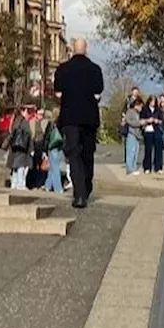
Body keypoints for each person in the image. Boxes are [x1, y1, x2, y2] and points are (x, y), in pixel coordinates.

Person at [53, 37, 104, 209]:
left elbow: (58, 93)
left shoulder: (63, 69)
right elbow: (98, 93)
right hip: (89, 118)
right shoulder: (95, 70)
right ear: (86, 48)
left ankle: (79, 194)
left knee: (73, 155)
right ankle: (87, 187)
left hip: (70, 118)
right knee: (87, 155)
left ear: (73, 49)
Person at [6, 109, 32, 190]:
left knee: (15, 167)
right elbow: (28, 134)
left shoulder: (14, 121)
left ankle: (14, 183)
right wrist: (31, 148)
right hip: (22, 146)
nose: (27, 114)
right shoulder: (24, 122)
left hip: (14, 146)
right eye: (26, 112)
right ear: (23, 112)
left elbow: (11, 134)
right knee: (21, 166)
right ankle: (20, 184)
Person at [41, 112, 66, 193]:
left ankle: (58, 188)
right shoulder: (63, 123)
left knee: (54, 168)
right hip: (60, 147)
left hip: (52, 147)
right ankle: (48, 185)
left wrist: (44, 149)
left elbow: (47, 136)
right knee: (53, 167)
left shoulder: (51, 123)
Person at [141, 95, 164, 174]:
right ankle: (147, 167)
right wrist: (148, 120)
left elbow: (162, 120)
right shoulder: (145, 109)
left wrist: (157, 121)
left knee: (158, 150)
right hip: (148, 131)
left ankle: (158, 167)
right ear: (149, 101)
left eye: (154, 101)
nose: (153, 103)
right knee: (148, 150)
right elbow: (141, 119)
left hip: (156, 130)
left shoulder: (158, 110)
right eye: (152, 101)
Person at [123, 97, 146, 175]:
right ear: (137, 105)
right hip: (131, 133)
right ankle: (129, 169)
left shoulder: (137, 113)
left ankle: (133, 167)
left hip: (137, 134)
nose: (141, 108)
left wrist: (143, 124)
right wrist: (139, 122)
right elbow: (129, 121)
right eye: (141, 106)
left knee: (136, 152)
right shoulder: (130, 111)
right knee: (131, 151)